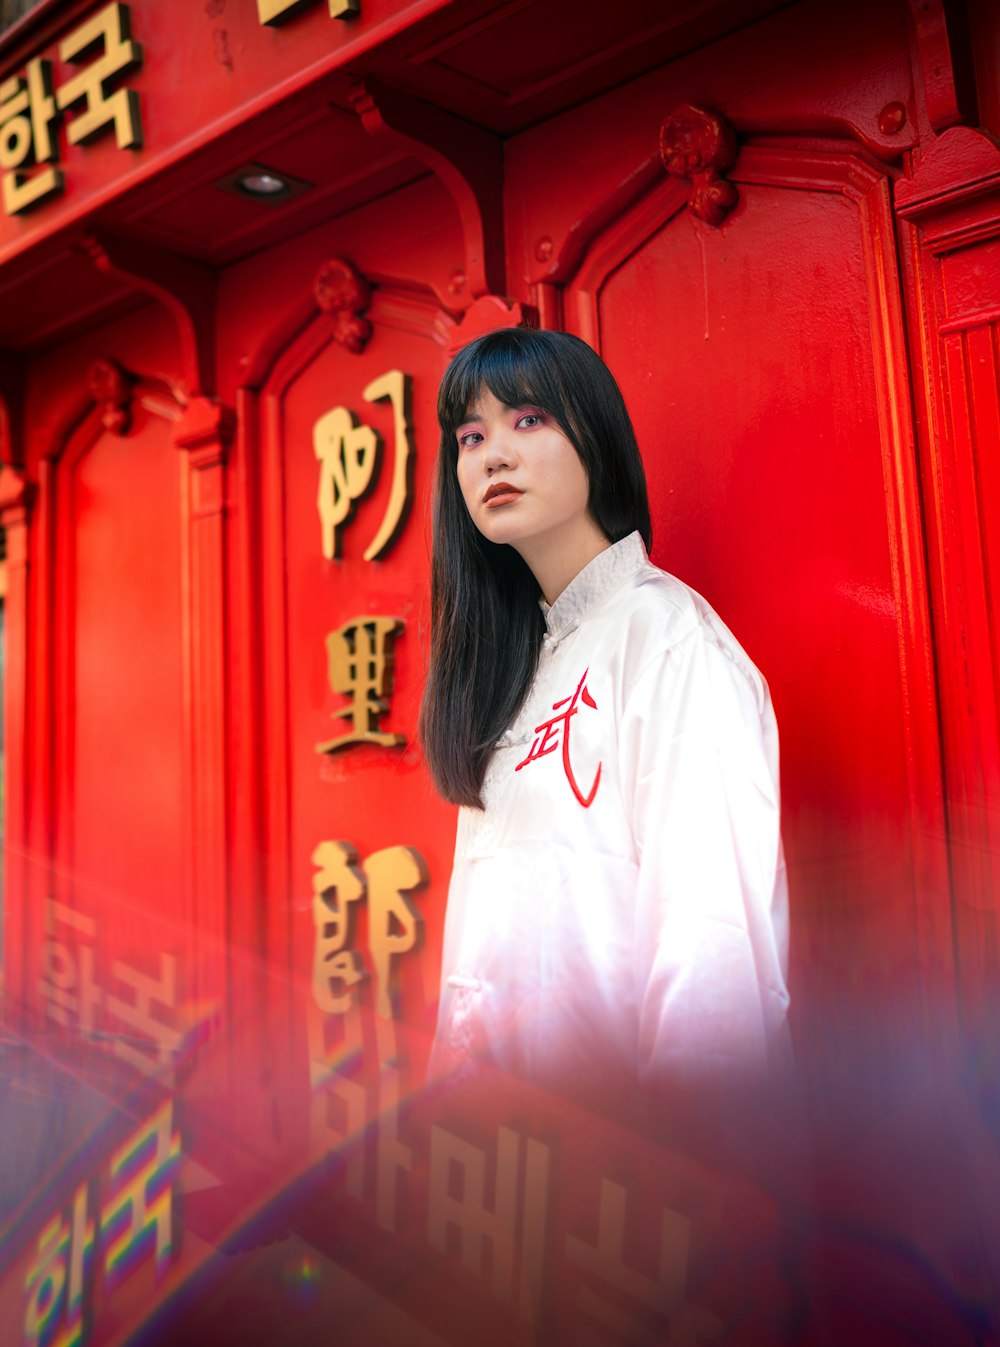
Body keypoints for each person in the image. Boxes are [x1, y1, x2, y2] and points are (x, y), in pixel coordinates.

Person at [419, 326, 789, 1123]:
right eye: (471, 435)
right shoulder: (508, 675)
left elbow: (709, 934)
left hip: (622, 1169)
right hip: (498, 1170)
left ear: (595, 436)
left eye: (528, 420)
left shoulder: (666, 638)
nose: (492, 456)